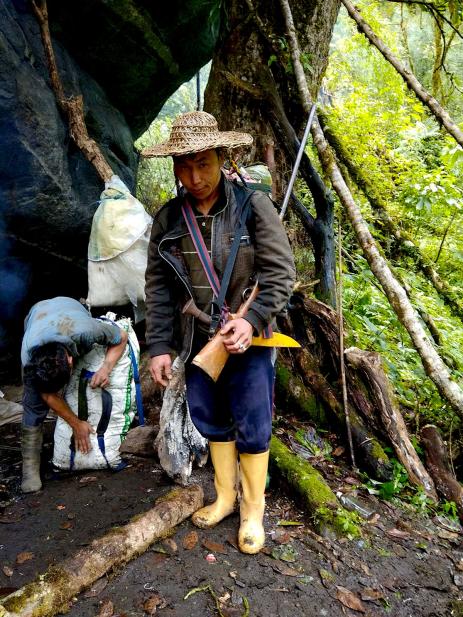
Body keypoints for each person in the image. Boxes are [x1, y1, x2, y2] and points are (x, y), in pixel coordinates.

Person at [143, 111, 295, 554]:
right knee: (210, 420)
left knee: (253, 425)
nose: (195, 177)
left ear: (221, 157)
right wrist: (158, 346)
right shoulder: (168, 220)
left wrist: (252, 319)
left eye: (203, 164)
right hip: (196, 342)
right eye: (185, 167)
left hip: (250, 340)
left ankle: (252, 511)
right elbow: (157, 288)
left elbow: (281, 273)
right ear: (174, 167)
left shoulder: (253, 206)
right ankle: (225, 498)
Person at [20, 296, 128, 493]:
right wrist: (77, 424)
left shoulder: (86, 331)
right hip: (37, 313)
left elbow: (121, 336)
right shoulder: (29, 355)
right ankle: (29, 469)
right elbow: (47, 394)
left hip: (69, 308)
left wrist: (105, 368)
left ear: (70, 360)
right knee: (32, 404)